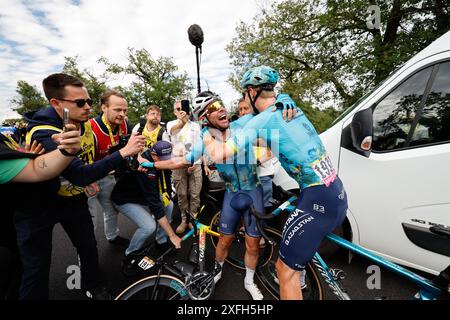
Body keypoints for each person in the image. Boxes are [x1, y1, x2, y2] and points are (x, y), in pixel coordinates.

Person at [201, 66, 348, 300]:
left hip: (318, 198)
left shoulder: (261, 120)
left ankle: (294, 277)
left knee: (284, 271)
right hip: (336, 192)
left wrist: (205, 135)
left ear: (251, 91)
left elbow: (219, 155)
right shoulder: (292, 108)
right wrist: (284, 97)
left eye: (244, 95)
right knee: (292, 261)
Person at [18, 73, 145, 300]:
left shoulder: (82, 123)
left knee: (88, 245)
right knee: (37, 265)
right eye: (80, 103)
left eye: (88, 100)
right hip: (38, 204)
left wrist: (92, 179)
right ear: (56, 104)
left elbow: (88, 162)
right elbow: (78, 174)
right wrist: (124, 153)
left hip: (73, 199)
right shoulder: (44, 132)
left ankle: (94, 284)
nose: (88, 107)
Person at [141, 91, 266, 300]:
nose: (221, 109)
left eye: (220, 104)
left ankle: (249, 281)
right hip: (232, 195)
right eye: (213, 108)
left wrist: (282, 103)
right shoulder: (204, 137)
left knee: (253, 243)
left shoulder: (243, 124)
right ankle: (217, 271)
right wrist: (152, 164)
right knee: (225, 240)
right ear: (204, 118)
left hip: (254, 191)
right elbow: (180, 161)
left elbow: (268, 109)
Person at [0, 125, 80, 300]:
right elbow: (37, 169)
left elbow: (29, 166)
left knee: (25, 274)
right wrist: (67, 151)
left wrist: (24, 157)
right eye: (81, 102)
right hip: (11, 235)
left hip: (14, 226)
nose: (87, 107)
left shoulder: (4, 138)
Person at [112, 140, 181, 273]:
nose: (167, 162)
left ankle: (161, 240)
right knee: (148, 226)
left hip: (142, 194)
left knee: (170, 205)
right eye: (164, 159)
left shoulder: (158, 159)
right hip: (124, 198)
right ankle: (130, 254)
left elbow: (163, 185)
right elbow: (154, 203)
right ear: (154, 155)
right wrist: (172, 235)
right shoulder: (145, 166)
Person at [89, 89, 131, 247]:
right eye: (117, 110)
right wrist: (88, 180)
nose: (122, 114)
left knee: (112, 209)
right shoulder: (90, 127)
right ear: (103, 107)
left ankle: (112, 236)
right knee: (90, 218)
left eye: (125, 110)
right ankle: (88, 252)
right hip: (90, 178)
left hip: (109, 176)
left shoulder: (125, 125)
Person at [166, 100, 202, 234]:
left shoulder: (196, 126)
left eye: (183, 108)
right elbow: (173, 131)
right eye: (177, 108)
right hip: (178, 164)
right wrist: (182, 121)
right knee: (181, 194)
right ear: (174, 111)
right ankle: (183, 219)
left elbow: (199, 145)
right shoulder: (171, 124)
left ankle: (192, 218)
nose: (181, 110)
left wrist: (195, 162)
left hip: (195, 163)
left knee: (194, 193)